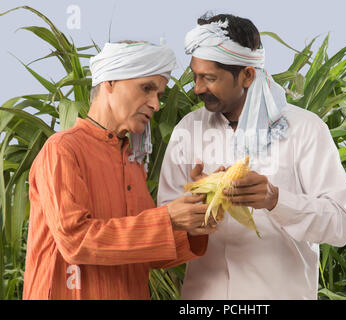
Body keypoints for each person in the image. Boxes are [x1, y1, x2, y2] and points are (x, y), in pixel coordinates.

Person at [157, 14, 346, 299]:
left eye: (209, 78)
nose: (198, 88)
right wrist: (200, 201)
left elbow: (341, 224)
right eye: (196, 76)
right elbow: (167, 219)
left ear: (247, 75)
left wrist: (275, 200)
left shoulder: (306, 130)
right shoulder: (188, 129)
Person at [23, 41, 216, 300]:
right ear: (109, 82)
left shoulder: (134, 163)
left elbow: (142, 249)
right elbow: (75, 241)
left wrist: (194, 221)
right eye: (146, 88)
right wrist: (167, 219)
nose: (156, 105)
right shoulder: (62, 150)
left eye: (158, 95)